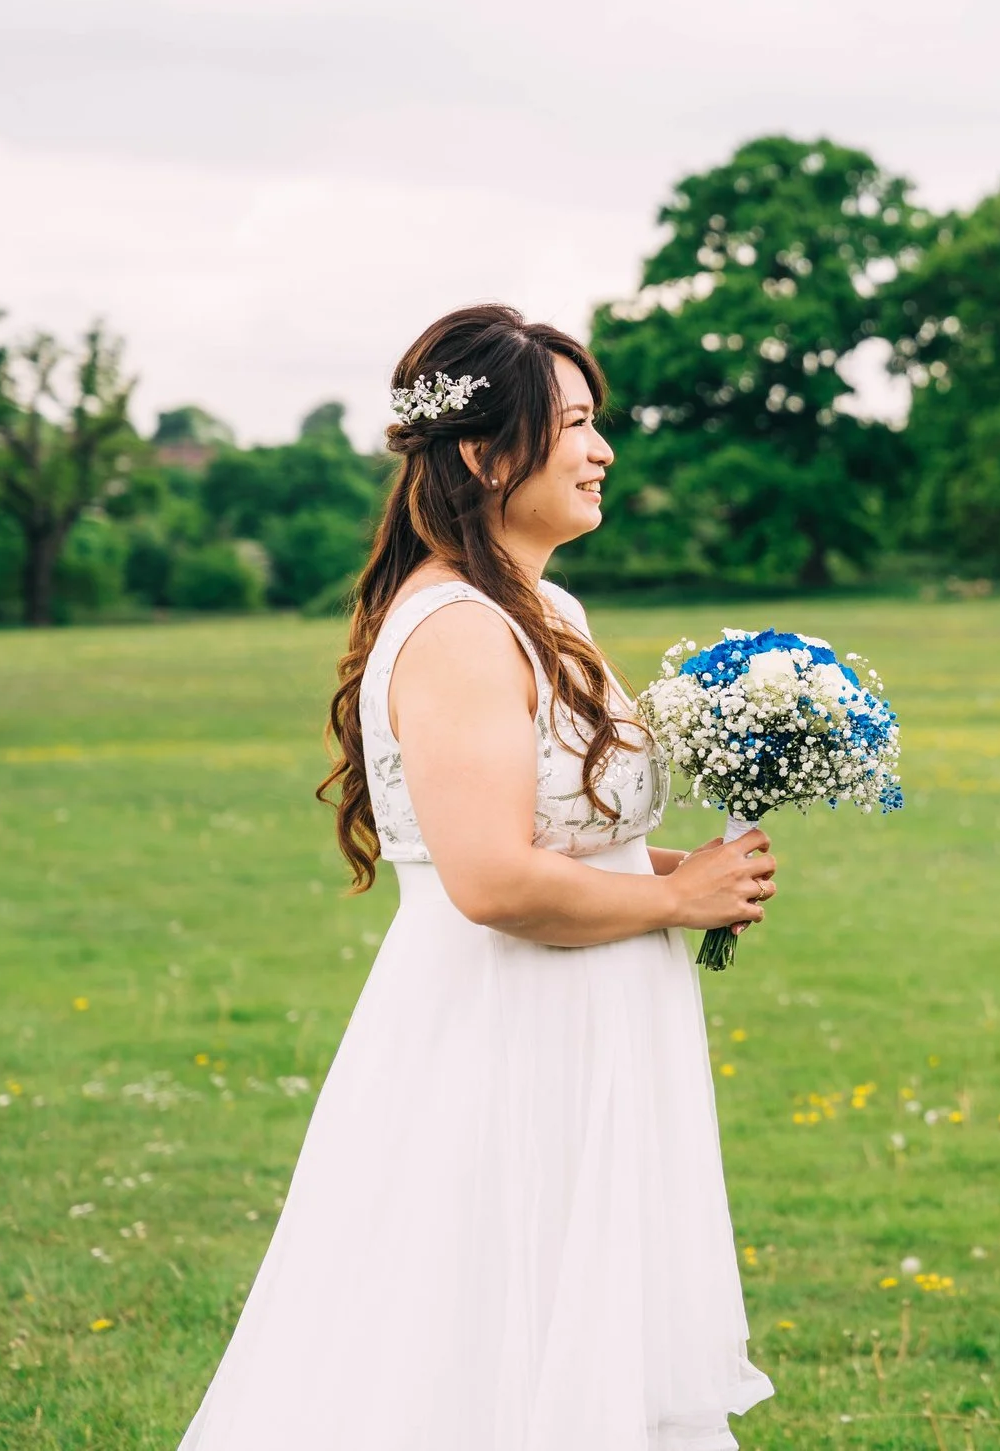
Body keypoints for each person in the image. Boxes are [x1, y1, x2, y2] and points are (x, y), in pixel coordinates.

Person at [180, 306, 778, 1450]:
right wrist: (671, 900)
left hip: (592, 1016)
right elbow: (494, 878)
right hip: (507, 1027)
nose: (602, 449)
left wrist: (688, 869)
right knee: (478, 1338)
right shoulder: (457, 629)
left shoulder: (546, 608)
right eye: (576, 424)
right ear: (485, 452)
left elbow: (560, 835)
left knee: (574, 1331)